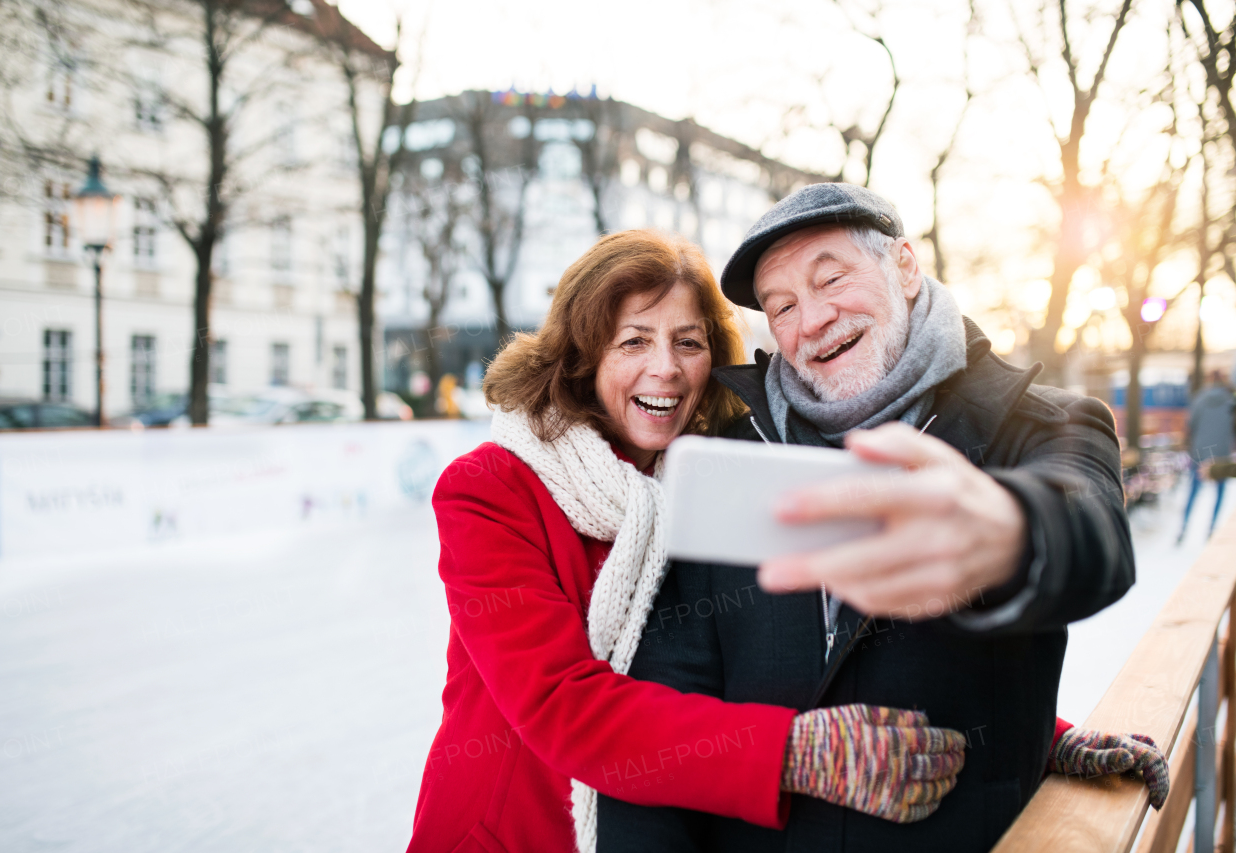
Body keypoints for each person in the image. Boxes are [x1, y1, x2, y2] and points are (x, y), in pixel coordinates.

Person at [597, 184, 1165, 852]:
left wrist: (1011, 531)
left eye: (831, 278)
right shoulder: (731, 460)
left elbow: (1093, 535)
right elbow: (667, 720)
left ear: (904, 265)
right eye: (782, 306)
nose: (811, 319)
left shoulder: (1044, 423)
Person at [408, 230, 971, 853]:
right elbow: (561, 706)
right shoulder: (490, 489)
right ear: (581, 357)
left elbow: (821, 634)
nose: (666, 369)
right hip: (512, 835)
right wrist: (791, 754)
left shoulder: (714, 479)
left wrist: (1022, 728)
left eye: (688, 342)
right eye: (634, 342)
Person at [1177, 370, 1234, 543]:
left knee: (1193, 492)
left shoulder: (1199, 399)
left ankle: (1183, 529)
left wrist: (1189, 446)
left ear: (1210, 380)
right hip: (1222, 454)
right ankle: (1211, 528)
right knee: (1219, 494)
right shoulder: (1231, 401)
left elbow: (1190, 425)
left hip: (1200, 452)